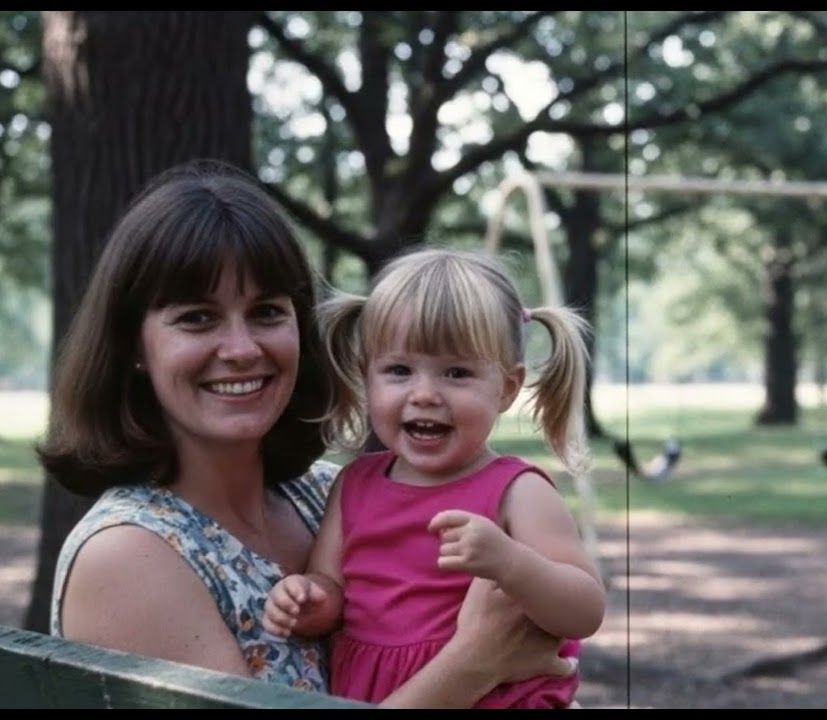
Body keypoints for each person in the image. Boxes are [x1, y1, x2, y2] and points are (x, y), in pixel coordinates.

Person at [36, 159, 576, 708]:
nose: (243, 348)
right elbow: (487, 652)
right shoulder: (129, 556)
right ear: (133, 346)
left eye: (267, 311)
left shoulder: (328, 492)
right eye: (198, 318)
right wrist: (474, 663)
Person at [262, 247, 607, 708]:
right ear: (368, 377)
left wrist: (510, 563)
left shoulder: (517, 491)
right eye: (399, 370)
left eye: (457, 373)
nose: (424, 394)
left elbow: (585, 609)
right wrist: (309, 599)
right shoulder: (355, 484)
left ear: (506, 387)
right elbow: (332, 585)